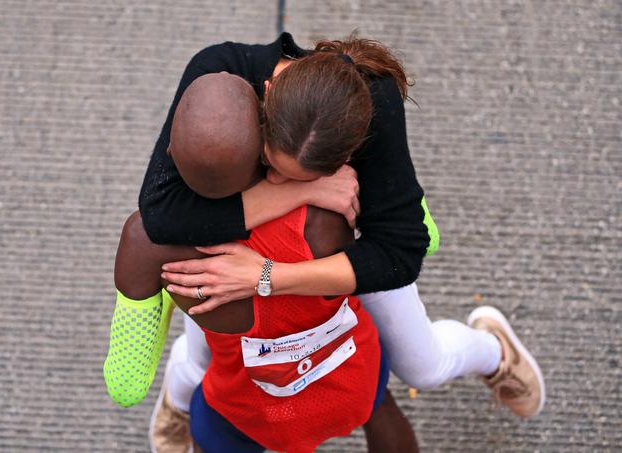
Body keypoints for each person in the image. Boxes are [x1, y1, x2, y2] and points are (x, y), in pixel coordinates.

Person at [141, 32, 545, 451]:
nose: (275, 177)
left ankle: (495, 353)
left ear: (351, 153)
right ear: (267, 93)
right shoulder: (221, 71)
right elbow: (159, 213)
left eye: (299, 176)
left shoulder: (373, 105)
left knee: (424, 367)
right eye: (268, 161)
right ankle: (181, 401)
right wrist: (299, 192)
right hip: (225, 243)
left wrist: (266, 276)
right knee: (205, 358)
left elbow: (398, 254)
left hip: (330, 249)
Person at [107, 73, 418, 452]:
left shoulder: (147, 241)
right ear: (266, 136)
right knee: (379, 406)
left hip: (253, 409)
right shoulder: (330, 198)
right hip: (350, 375)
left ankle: (177, 406)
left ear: (168, 151)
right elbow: (410, 229)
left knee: (210, 425)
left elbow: (127, 379)